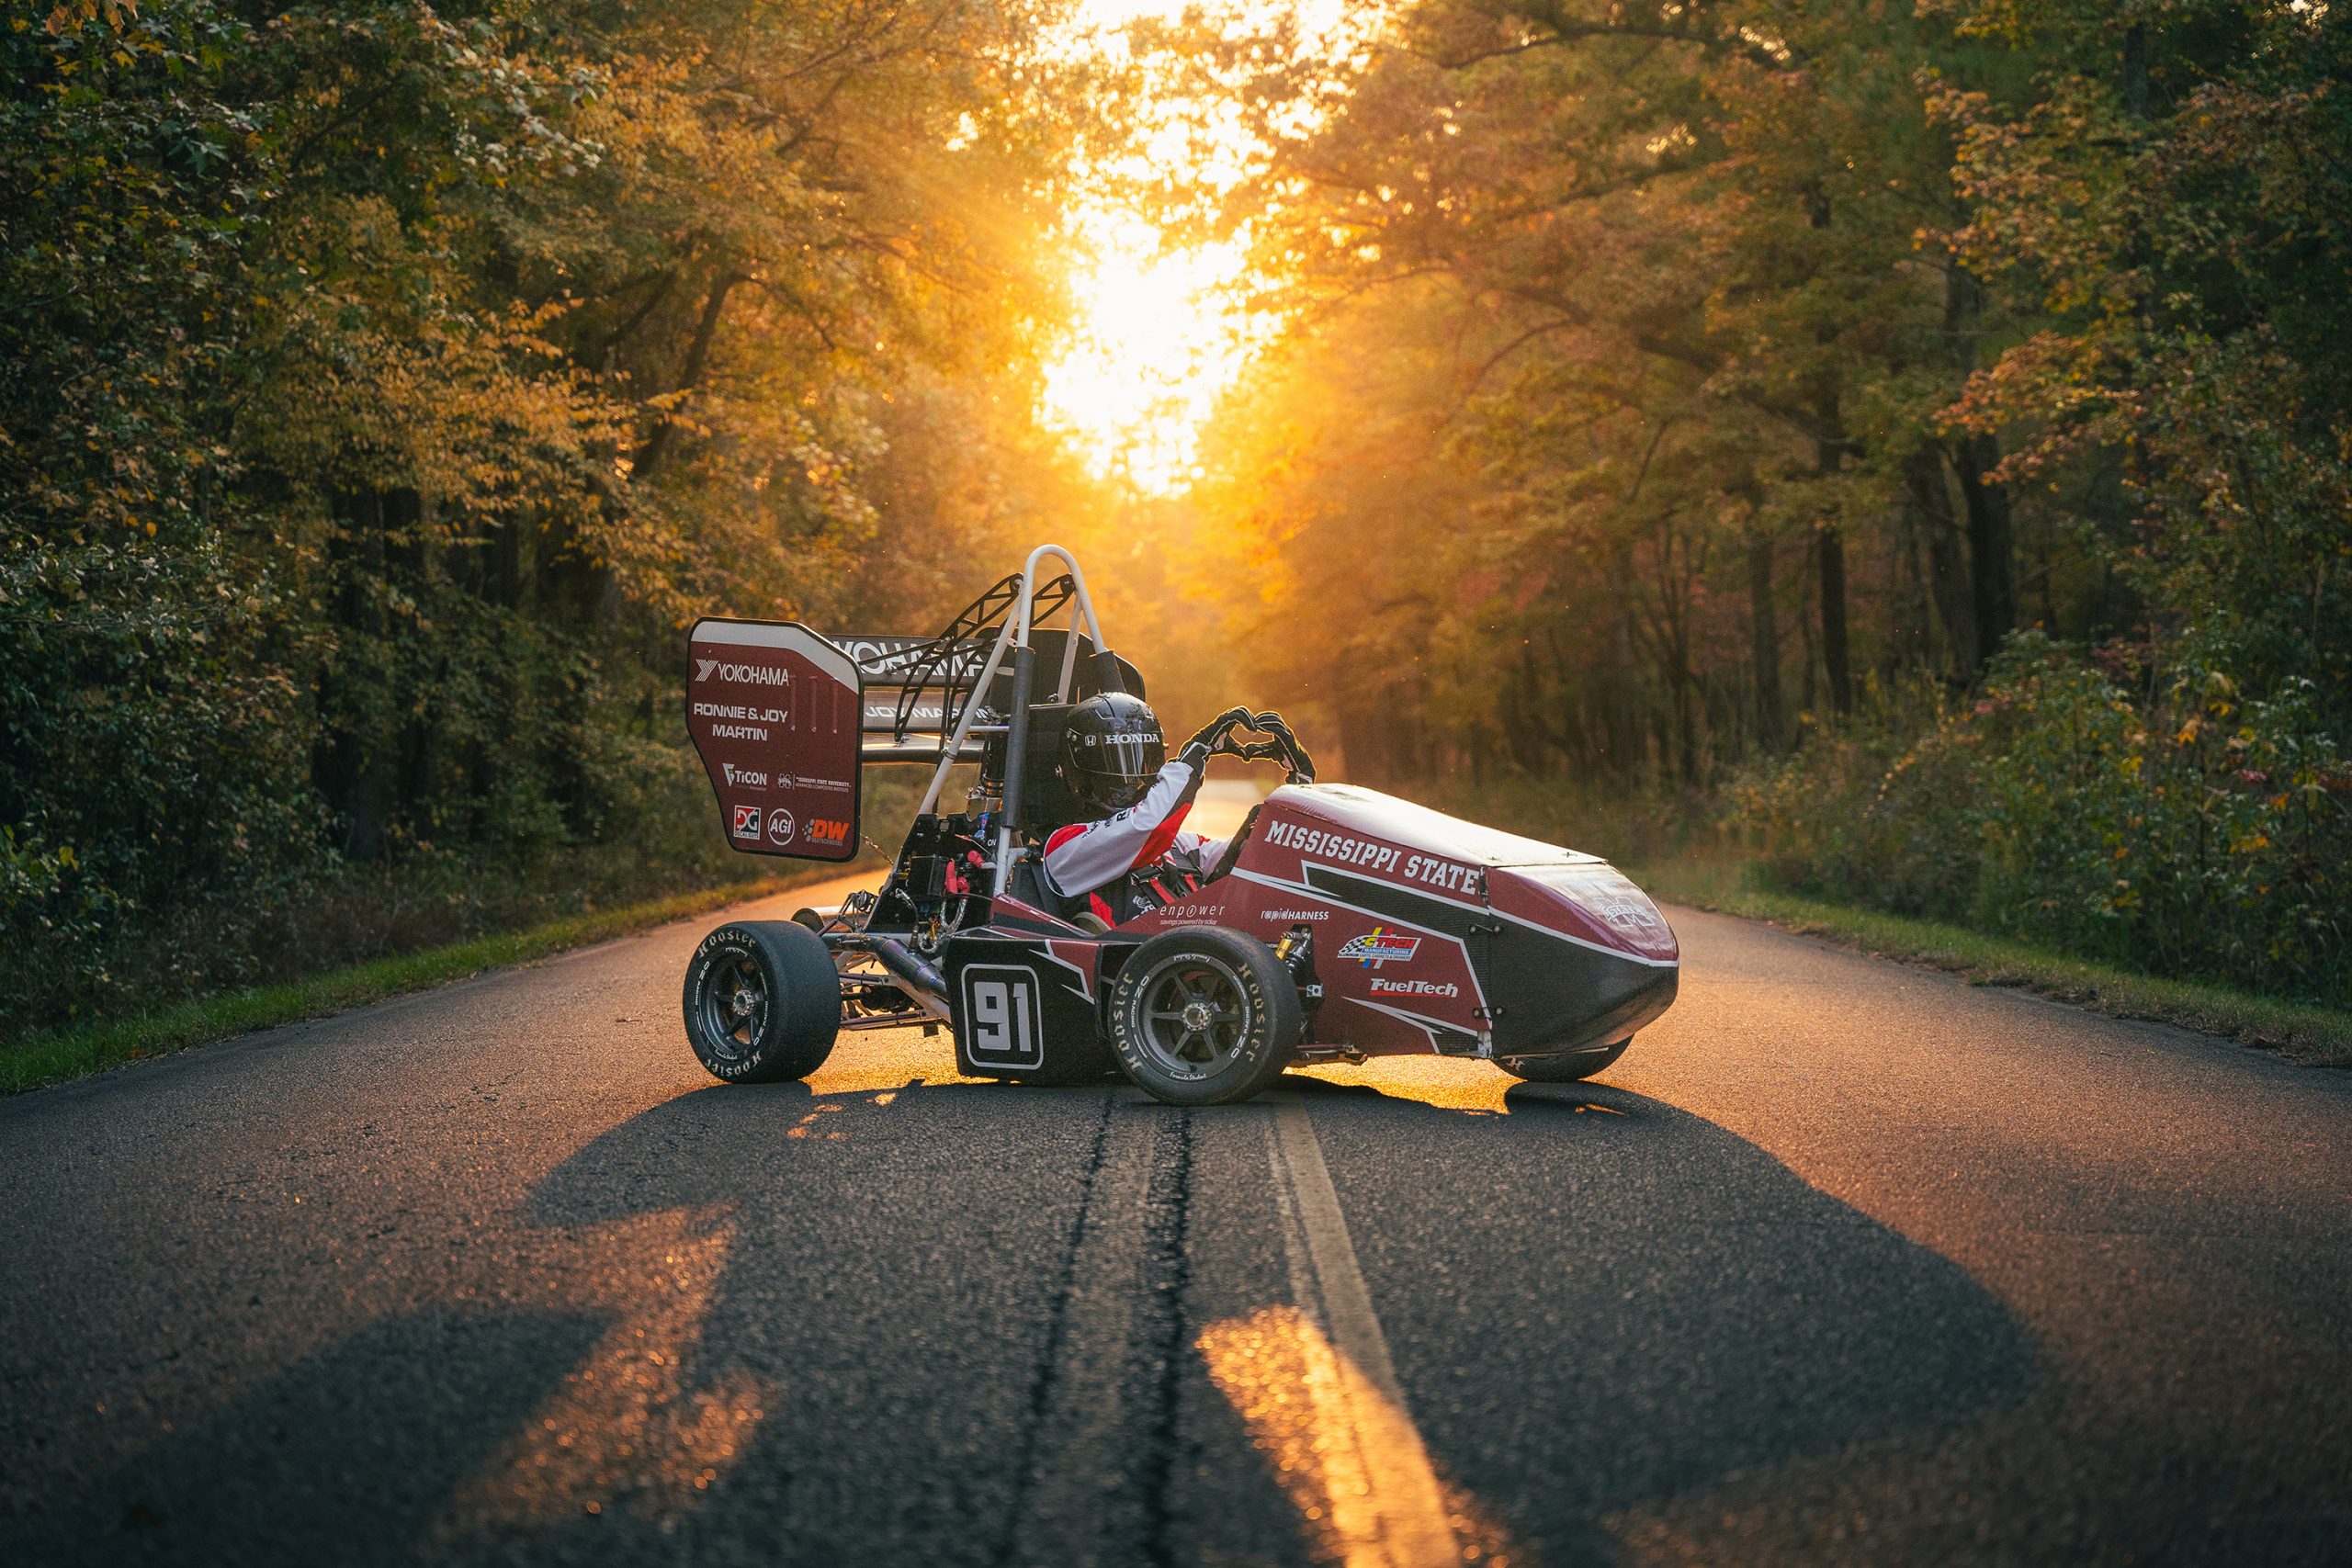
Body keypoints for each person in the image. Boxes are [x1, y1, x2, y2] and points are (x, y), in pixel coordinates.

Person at [1039, 694, 1262, 927]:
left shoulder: (1181, 844)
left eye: (1141, 756)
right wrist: (1195, 755)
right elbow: (1151, 825)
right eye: (1114, 758)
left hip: (1204, 945)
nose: (1131, 776)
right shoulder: (1064, 849)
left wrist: (1283, 812)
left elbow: (1254, 859)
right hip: (1144, 949)